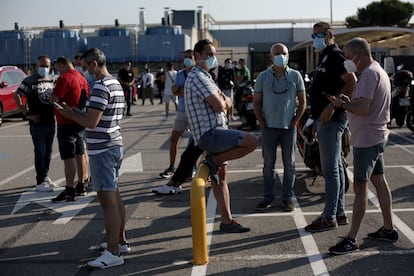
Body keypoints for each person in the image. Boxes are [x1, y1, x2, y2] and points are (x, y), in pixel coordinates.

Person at [57, 48, 128, 269]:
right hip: (114, 143)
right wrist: (76, 113)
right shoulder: (115, 83)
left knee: (108, 202)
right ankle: (120, 241)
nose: (84, 71)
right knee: (115, 196)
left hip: (102, 149)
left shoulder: (100, 86)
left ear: (94, 64)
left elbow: (91, 122)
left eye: (86, 67)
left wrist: (70, 114)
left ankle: (113, 251)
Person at [327, 37, 398, 254]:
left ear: (358, 55)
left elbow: (363, 108)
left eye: (348, 57)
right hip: (375, 136)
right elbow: (364, 103)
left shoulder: (368, 75)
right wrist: (350, 101)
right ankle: (388, 229)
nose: (347, 62)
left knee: (360, 188)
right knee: (379, 181)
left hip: (367, 140)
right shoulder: (378, 71)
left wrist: (342, 104)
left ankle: (351, 238)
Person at [184, 39, 258, 232]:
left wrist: (224, 100)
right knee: (252, 141)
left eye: (213, 54)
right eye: (208, 54)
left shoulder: (207, 76)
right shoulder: (197, 77)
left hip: (218, 131)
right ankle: (215, 159)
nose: (212, 58)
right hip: (211, 134)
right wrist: (224, 101)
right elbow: (220, 105)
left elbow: (227, 103)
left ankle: (227, 221)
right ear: (197, 56)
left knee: (221, 178)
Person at [305, 21, 356, 233]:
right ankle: (340, 212)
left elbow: (352, 81)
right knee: (335, 166)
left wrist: (332, 107)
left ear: (330, 34)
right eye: (314, 34)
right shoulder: (324, 56)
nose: (315, 38)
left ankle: (329, 216)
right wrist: (315, 117)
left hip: (332, 120)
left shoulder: (335, 56)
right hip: (323, 119)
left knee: (330, 170)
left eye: (319, 34)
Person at [253, 43, 306, 212]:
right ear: (270, 57)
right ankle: (268, 197)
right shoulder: (262, 77)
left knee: (289, 164)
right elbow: (256, 103)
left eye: (283, 53)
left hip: (288, 128)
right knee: (268, 164)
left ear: (288, 56)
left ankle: (287, 197)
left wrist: (295, 121)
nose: (280, 56)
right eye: (277, 53)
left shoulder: (296, 76)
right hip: (268, 128)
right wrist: (261, 122)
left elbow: (303, 102)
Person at [14, 55, 56, 192]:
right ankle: (40, 181)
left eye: (47, 66)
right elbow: (17, 95)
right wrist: (27, 114)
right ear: (36, 66)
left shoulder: (51, 79)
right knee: (40, 151)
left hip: (51, 121)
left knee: (48, 152)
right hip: (37, 123)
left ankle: (45, 175)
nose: (44, 68)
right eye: (41, 65)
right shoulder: (29, 81)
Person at [50, 56, 90, 202]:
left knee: (68, 157)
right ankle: (81, 185)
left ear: (61, 65)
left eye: (57, 67)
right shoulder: (82, 77)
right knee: (80, 153)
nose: (57, 70)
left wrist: (52, 100)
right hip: (79, 119)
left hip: (66, 121)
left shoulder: (65, 78)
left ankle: (69, 189)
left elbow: (54, 99)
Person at [158, 50, 195, 181]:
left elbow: (191, 92)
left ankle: (193, 168)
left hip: (195, 112)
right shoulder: (180, 74)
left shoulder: (197, 74)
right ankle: (172, 166)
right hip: (182, 111)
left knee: (195, 142)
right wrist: (182, 91)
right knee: (174, 139)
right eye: (185, 58)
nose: (187, 60)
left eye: (190, 57)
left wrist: (181, 90)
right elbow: (175, 89)